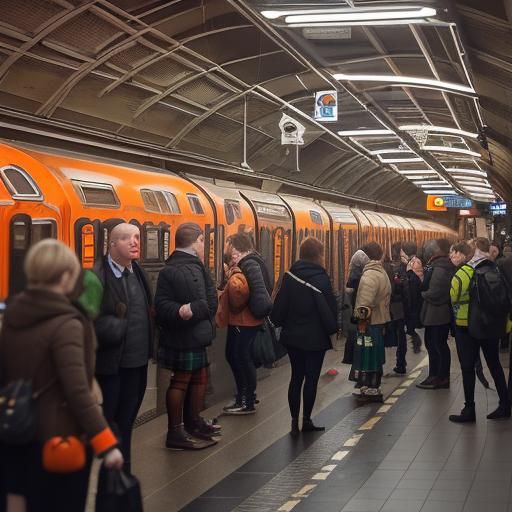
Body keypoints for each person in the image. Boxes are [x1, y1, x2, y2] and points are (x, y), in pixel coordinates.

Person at [0, 240, 122, 512]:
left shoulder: (11, 316)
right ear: (65, 276)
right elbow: (77, 390)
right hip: (58, 441)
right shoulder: (67, 324)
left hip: (15, 432)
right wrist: (105, 443)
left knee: (21, 501)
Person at [93, 222, 152, 473]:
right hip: (111, 366)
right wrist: (117, 327)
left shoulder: (139, 273)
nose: (134, 242)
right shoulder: (97, 277)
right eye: (127, 238)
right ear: (112, 244)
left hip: (138, 364)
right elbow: (86, 322)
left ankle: (122, 472)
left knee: (127, 422)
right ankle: (114, 474)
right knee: (113, 423)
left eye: (137, 237)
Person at [155, 223, 219, 449]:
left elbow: (210, 301)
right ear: (197, 241)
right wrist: (185, 310)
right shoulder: (174, 269)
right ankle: (175, 432)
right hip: (184, 335)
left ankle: (193, 422)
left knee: (197, 378)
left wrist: (202, 307)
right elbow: (161, 306)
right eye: (203, 242)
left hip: (196, 334)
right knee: (180, 382)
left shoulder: (191, 266)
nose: (204, 246)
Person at [271, 238, 337, 434]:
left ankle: (293, 422)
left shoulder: (289, 277)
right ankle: (307, 420)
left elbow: (279, 310)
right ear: (318, 255)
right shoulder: (323, 279)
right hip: (316, 340)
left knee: (296, 377)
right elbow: (331, 309)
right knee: (312, 378)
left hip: (293, 338)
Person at [450, 238, 511, 422]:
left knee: (468, 368)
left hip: (466, 326)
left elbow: (453, 295)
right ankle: (505, 405)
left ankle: (469, 409)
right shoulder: (495, 268)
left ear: (474, 249)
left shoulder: (466, 270)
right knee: (494, 364)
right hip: (490, 324)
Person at [221, 233, 273, 414]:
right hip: (246, 320)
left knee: (240, 357)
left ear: (235, 248)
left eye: (229, 247)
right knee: (237, 356)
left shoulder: (249, 264)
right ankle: (245, 396)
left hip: (246, 321)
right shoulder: (256, 260)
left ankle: (246, 400)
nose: (228, 251)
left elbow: (251, 291)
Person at [350, 242, 391, 401]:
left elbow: (365, 304)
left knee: (368, 354)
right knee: (374, 353)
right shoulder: (380, 272)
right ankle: (369, 386)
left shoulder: (369, 275)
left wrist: (361, 323)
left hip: (369, 324)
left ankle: (372, 388)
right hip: (378, 322)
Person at [383, 242, 409, 375]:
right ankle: (400, 362)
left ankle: (378, 366)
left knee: (381, 334)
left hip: (387, 306)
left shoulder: (384, 267)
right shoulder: (402, 267)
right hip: (398, 307)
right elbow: (406, 289)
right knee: (401, 336)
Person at [342, 250, 370, 365]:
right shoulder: (360, 276)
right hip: (361, 309)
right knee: (363, 333)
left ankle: (351, 356)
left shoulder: (352, 274)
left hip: (356, 309)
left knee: (356, 332)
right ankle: (362, 355)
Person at [400, 241, 424, 354]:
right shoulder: (412, 262)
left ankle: (416, 340)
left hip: (415, 298)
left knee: (411, 324)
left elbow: (415, 281)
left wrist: (407, 266)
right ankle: (415, 339)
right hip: (413, 298)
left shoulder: (415, 263)